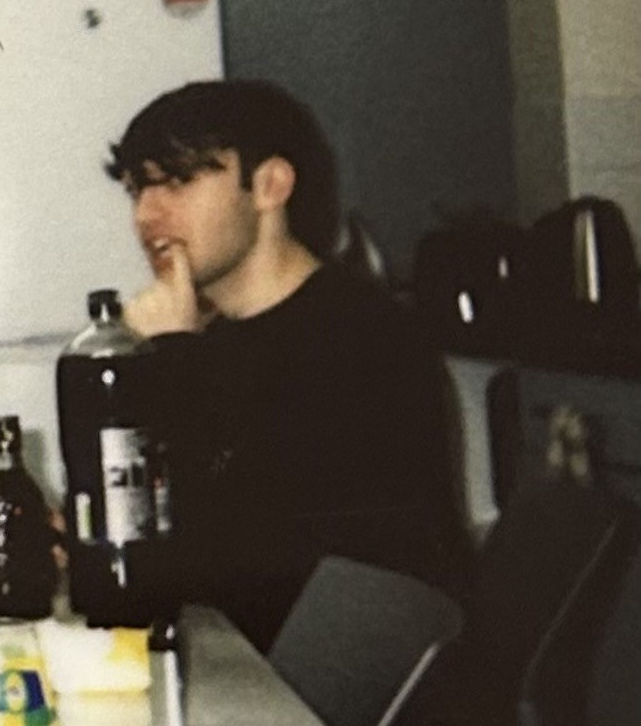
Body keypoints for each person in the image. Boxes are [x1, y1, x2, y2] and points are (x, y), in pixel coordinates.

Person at [105, 79, 474, 652]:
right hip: (259, 652)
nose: (145, 214)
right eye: (136, 189)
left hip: (335, 671)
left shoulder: (359, 336)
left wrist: (174, 358)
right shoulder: (220, 338)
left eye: (176, 181)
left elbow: (240, 558)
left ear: (270, 185)